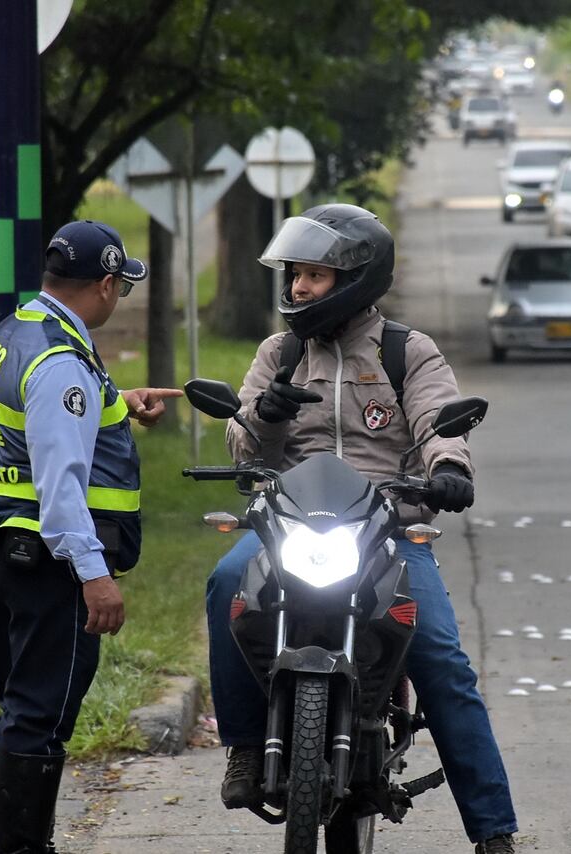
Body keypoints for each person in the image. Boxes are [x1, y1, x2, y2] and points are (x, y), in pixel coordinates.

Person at [205, 204, 518, 854]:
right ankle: (241, 745)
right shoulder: (279, 353)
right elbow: (243, 447)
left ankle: (494, 833)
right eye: (295, 275)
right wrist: (264, 416)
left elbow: (438, 422)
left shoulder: (407, 352)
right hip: (289, 528)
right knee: (225, 582)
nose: (298, 289)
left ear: (354, 278)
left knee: (443, 662)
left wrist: (451, 469)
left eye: (314, 276)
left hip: (388, 532)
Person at [0, 220, 183, 854]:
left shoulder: (19, 331)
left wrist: (117, 402)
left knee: (21, 706)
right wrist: (95, 575)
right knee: (39, 716)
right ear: (107, 284)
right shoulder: (62, 363)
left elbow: (32, 431)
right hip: (45, 563)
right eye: (122, 287)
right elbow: (61, 486)